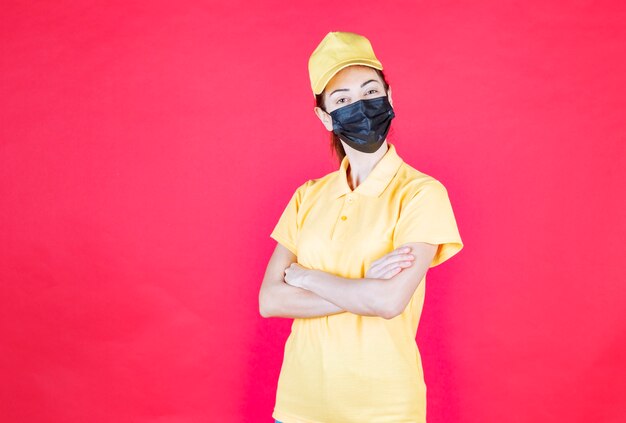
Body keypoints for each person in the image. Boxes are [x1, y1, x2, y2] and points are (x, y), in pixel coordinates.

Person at [259, 31, 464, 423]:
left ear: (390, 97)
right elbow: (270, 301)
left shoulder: (421, 194)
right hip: (299, 405)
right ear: (325, 117)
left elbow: (388, 303)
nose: (361, 107)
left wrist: (305, 276)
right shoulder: (308, 196)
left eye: (371, 91)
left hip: (384, 408)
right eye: (342, 100)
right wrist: (361, 288)